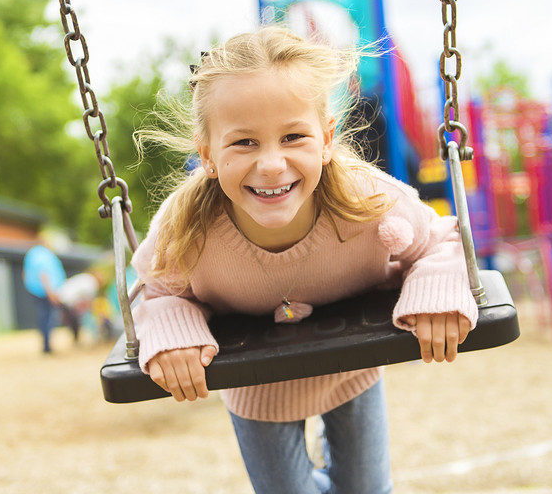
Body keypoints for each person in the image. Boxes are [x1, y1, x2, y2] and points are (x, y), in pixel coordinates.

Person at [131, 27, 477, 494]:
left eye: (293, 136)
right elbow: (153, 290)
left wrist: (436, 293)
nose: (272, 164)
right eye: (244, 143)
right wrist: (173, 334)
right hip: (254, 384)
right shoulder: (185, 232)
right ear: (207, 154)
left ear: (327, 138)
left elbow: (440, 241)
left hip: (352, 368)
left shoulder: (368, 201)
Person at [23, 236, 66, 354]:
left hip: (34, 290)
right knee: (49, 317)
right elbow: (44, 274)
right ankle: (47, 346)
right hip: (46, 291)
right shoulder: (44, 255)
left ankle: (46, 344)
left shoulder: (31, 254)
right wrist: (50, 292)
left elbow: (25, 273)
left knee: (43, 316)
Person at [57, 266, 107, 345]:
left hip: (63, 296)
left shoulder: (86, 278)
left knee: (73, 321)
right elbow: (87, 301)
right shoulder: (92, 283)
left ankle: (77, 339)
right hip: (68, 299)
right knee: (77, 320)